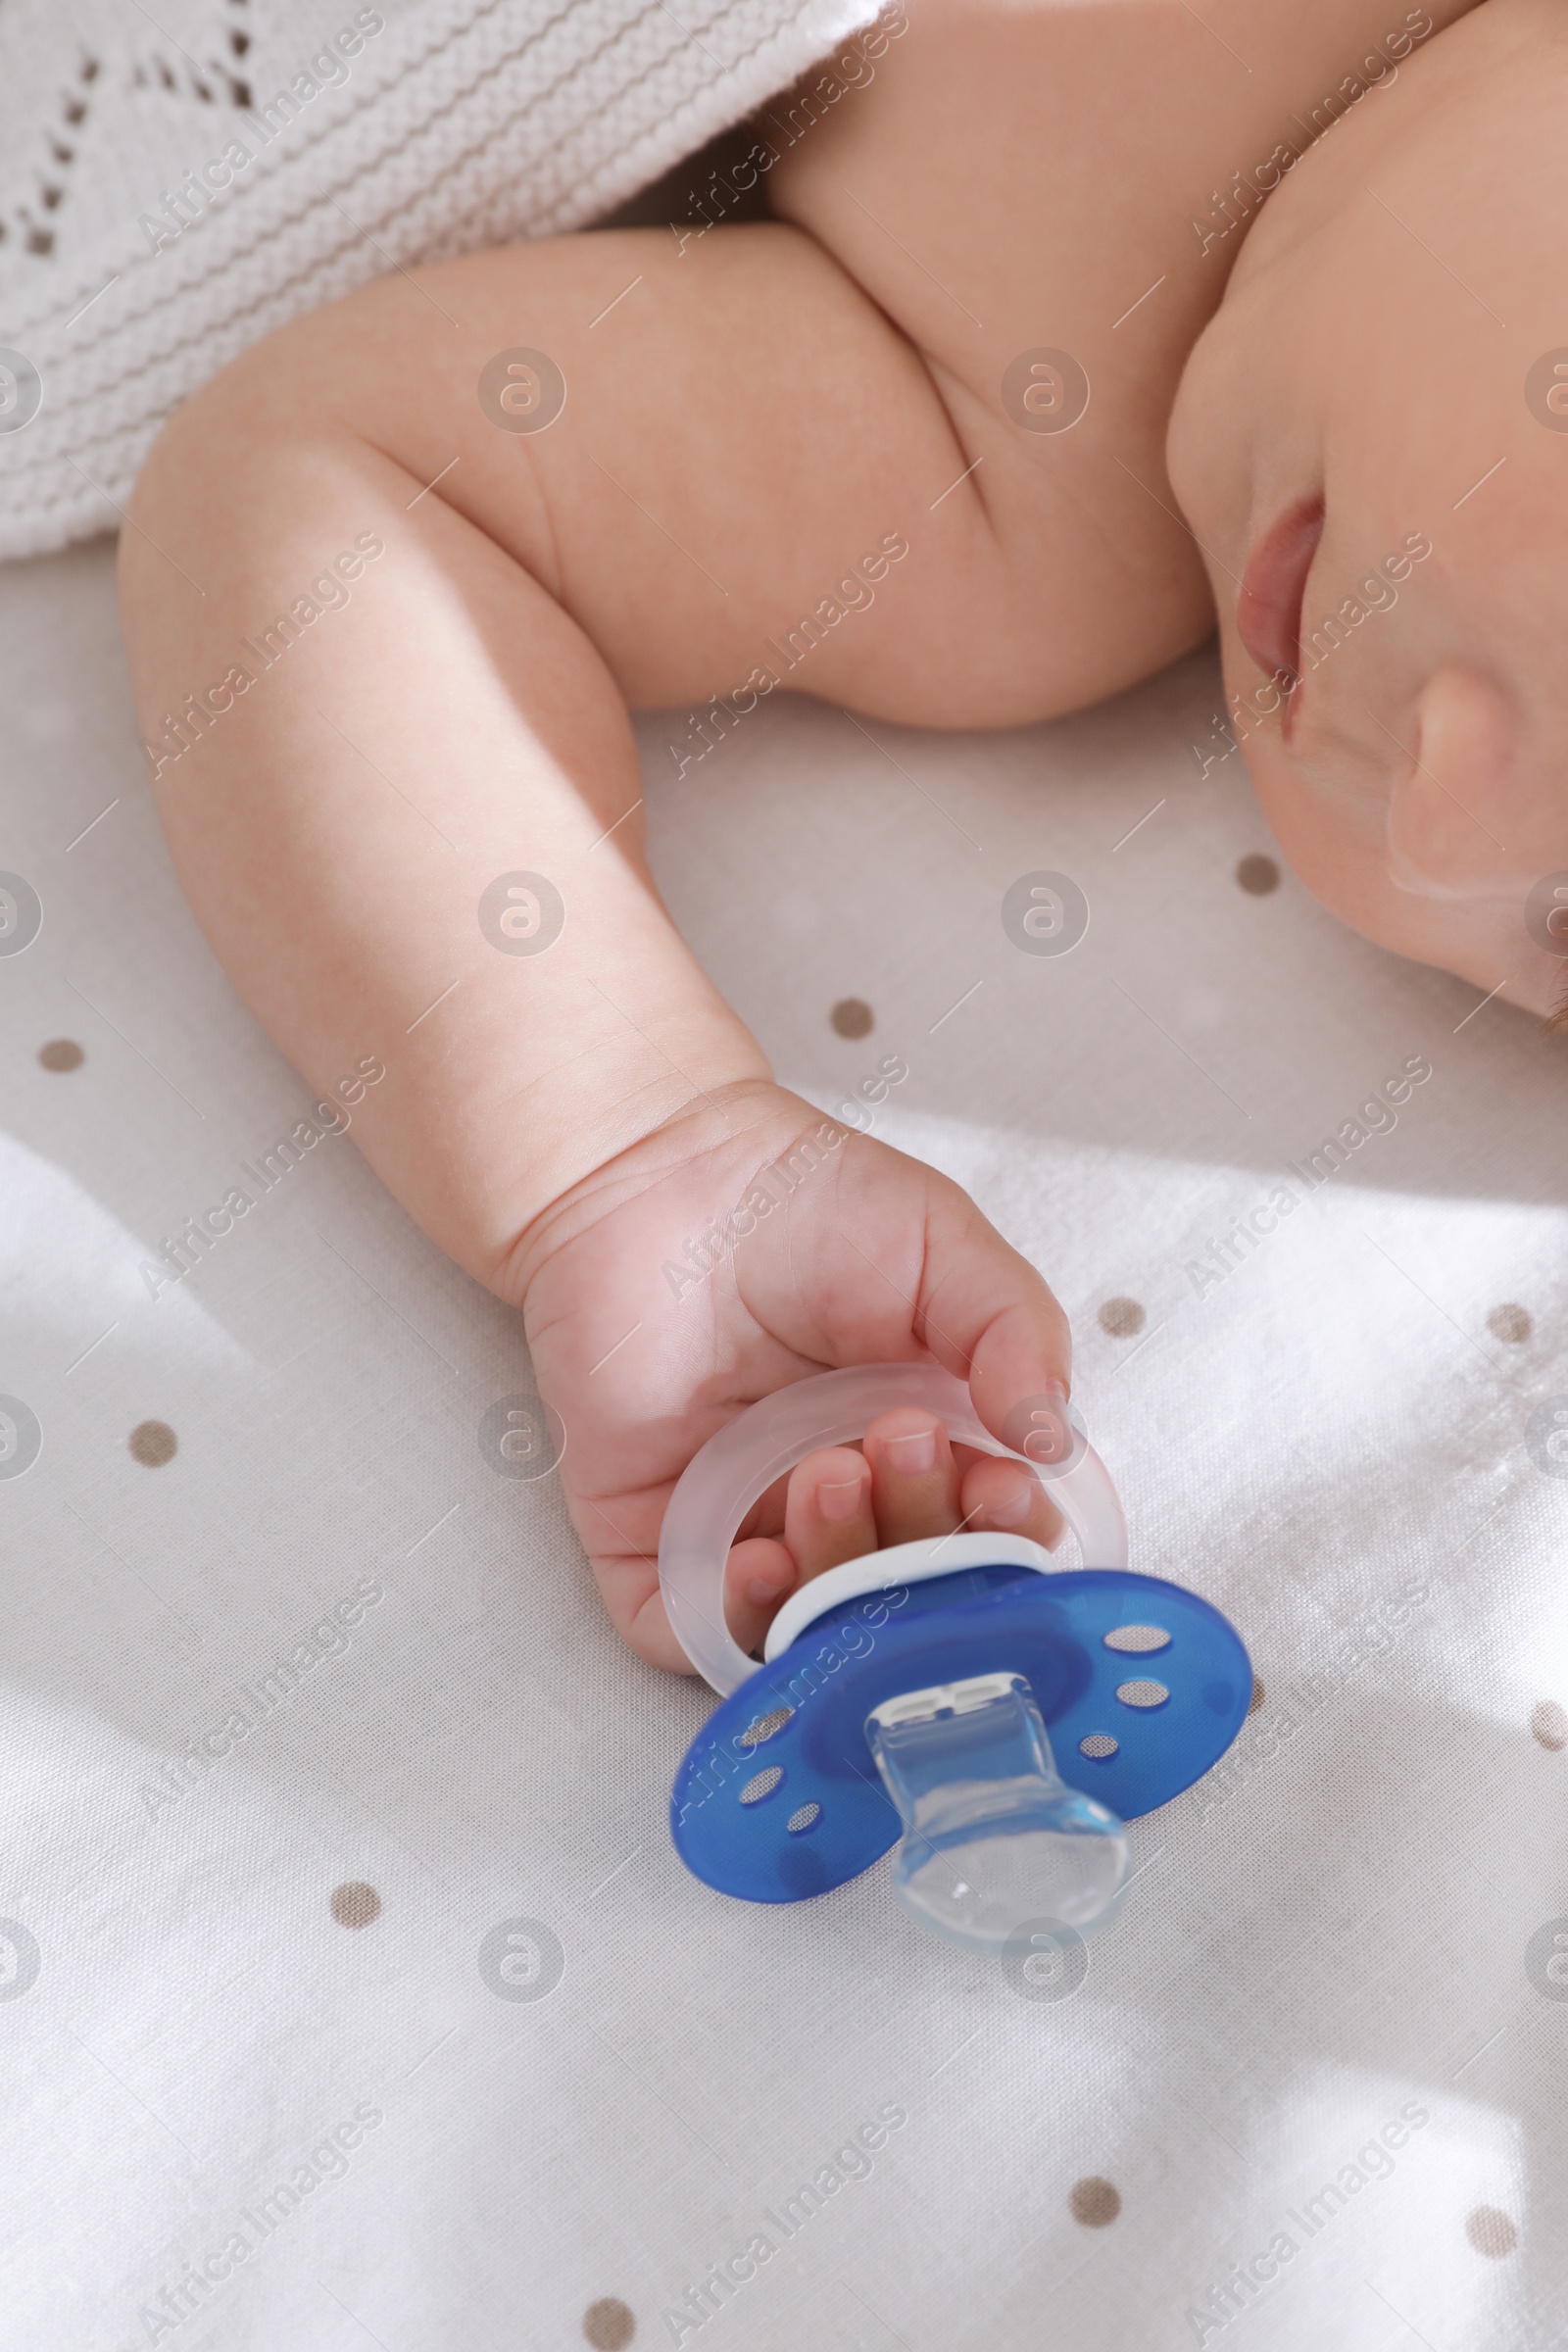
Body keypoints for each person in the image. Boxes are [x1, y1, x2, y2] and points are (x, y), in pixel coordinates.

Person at [117, 0, 1563, 1670]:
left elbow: (349, 489)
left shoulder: (1013, 503)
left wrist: (628, 1141)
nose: (1442, 815)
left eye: (1566, 928)